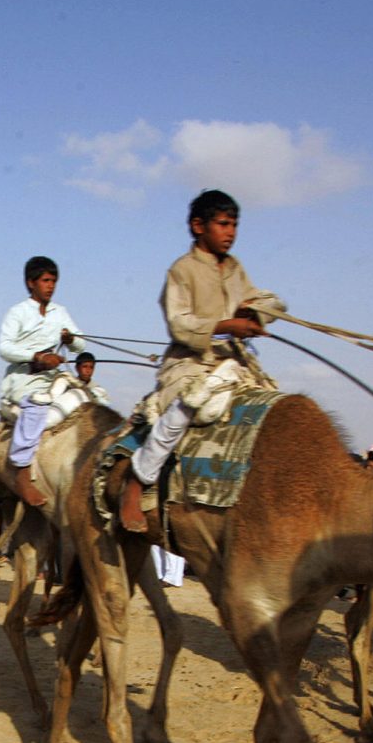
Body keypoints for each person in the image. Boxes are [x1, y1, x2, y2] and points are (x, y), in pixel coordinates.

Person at [118, 189, 284, 532]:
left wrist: (256, 311)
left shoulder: (235, 269)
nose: (231, 232)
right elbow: (180, 324)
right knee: (189, 408)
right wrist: (226, 325)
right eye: (223, 224)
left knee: (273, 409)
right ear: (198, 226)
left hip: (234, 365)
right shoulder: (181, 270)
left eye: (234, 224)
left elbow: (268, 300)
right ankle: (136, 482)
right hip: (190, 363)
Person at [0, 256, 87, 507]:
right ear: (31, 283)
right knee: (37, 403)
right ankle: (22, 468)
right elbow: (4, 348)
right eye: (46, 281)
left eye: (54, 281)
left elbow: (81, 345)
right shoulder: (17, 312)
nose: (51, 286)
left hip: (54, 376)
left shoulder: (61, 313)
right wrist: (37, 356)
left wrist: (71, 339)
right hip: (25, 377)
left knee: (89, 400)